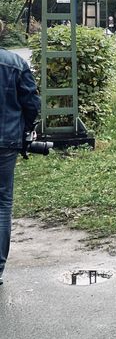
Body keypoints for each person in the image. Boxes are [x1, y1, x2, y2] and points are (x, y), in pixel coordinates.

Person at [0, 21, 41, 285]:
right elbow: (31, 103)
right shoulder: (15, 63)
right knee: (3, 204)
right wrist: (25, 131)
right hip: (6, 142)